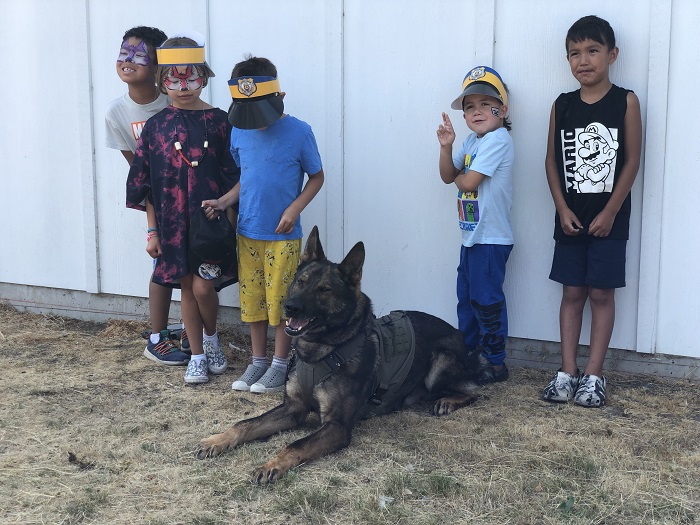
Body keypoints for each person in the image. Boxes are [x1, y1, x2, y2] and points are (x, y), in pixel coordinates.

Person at [202, 55, 325, 394]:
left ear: (279, 97)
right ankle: (258, 361)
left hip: (282, 237)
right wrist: (225, 202)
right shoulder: (239, 131)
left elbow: (316, 176)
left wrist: (295, 208)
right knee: (254, 300)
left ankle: (280, 364)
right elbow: (247, 177)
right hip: (248, 233)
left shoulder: (300, 132)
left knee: (282, 301)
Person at [126, 34, 240, 384]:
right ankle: (200, 355)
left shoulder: (222, 122)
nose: (183, 86)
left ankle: (210, 337)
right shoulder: (157, 126)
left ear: (204, 77)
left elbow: (237, 172)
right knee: (187, 287)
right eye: (174, 79)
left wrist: (230, 221)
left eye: (191, 78)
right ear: (162, 82)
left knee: (205, 286)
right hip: (174, 223)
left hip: (210, 221)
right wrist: (153, 230)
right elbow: (145, 184)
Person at [542, 15, 642, 407]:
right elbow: (551, 161)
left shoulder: (625, 101)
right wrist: (561, 207)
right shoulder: (562, 105)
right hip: (570, 219)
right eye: (574, 53)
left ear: (612, 55)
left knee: (601, 294)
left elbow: (632, 160)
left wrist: (612, 211)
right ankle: (567, 372)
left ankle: (594, 376)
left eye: (592, 51)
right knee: (571, 293)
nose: (583, 60)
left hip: (609, 223)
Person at [105, 26, 192, 366]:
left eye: (140, 55)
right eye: (124, 53)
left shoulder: (177, 98)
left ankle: (189, 328)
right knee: (163, 267)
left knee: (192, 266)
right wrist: (153, 226)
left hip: (194, 194)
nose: (129, 61)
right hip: (162, 201)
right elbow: (141, 173)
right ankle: (156, 337)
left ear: (159, 67)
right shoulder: (117, 113)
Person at [436, 66, 514, 385]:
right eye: (470, 106)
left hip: (491, 238)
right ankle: (468, 354)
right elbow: (447, 176)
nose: (477, 111)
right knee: (466, 299)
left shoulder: (498, 139)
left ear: (502, 109)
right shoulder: (470, 142)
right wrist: (446, 147)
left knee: (487, 301)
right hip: (471, 238)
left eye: (486, 103)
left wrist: (460, 178)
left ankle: (494, 362)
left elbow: (466, 182)